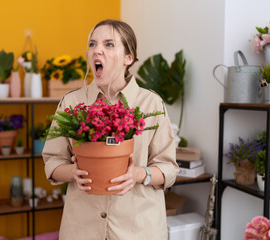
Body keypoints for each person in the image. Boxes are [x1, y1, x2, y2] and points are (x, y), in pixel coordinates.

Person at [42, 19, 179, 240]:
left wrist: (138, 174)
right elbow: (52, 161)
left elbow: (169, 168)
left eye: (109, 45)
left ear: (129, 58)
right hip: (82, 229)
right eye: (93, 44)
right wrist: (73, 173)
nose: (98, 51)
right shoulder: (71, 102)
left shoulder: (151, 104)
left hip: (138, 230)